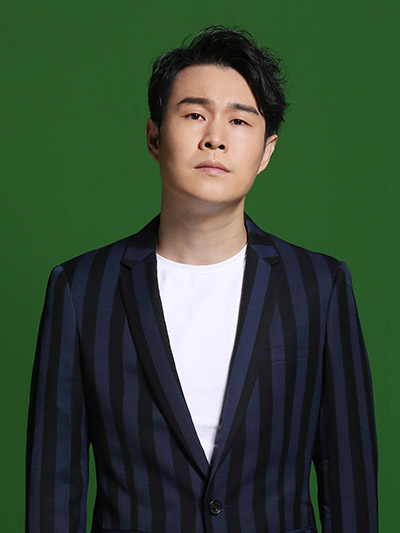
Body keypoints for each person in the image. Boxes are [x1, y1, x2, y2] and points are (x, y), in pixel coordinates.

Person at [26, 25, 378, 533]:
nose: (215, 137)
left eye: (239, 120)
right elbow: (52, 490)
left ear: (266, 152)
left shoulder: (319, 287)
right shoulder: (81, 290)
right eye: (194, 115)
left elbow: (350, 480)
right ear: (154, 136)